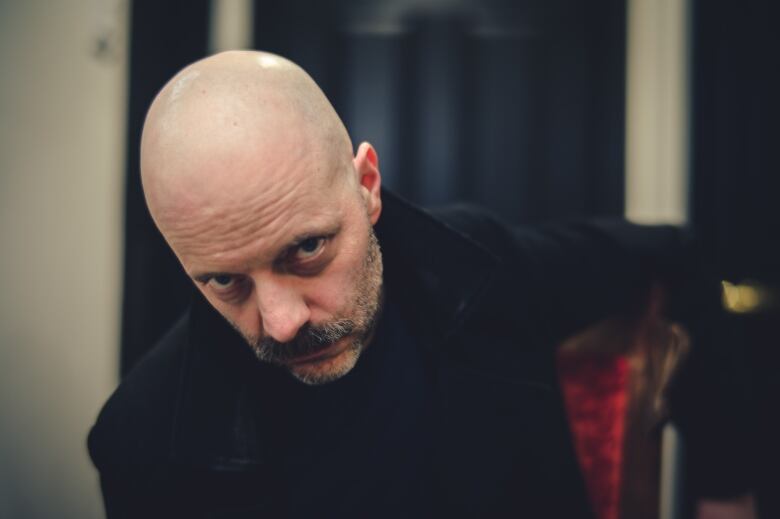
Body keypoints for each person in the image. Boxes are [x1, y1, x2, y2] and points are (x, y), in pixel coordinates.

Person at [88, 50, 752, 518]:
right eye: (226, 280)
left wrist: (724, 490)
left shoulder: (477, 265)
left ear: (366, 185)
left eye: (307, 249)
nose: (282, 321)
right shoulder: (142, 443)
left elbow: (676, 257)